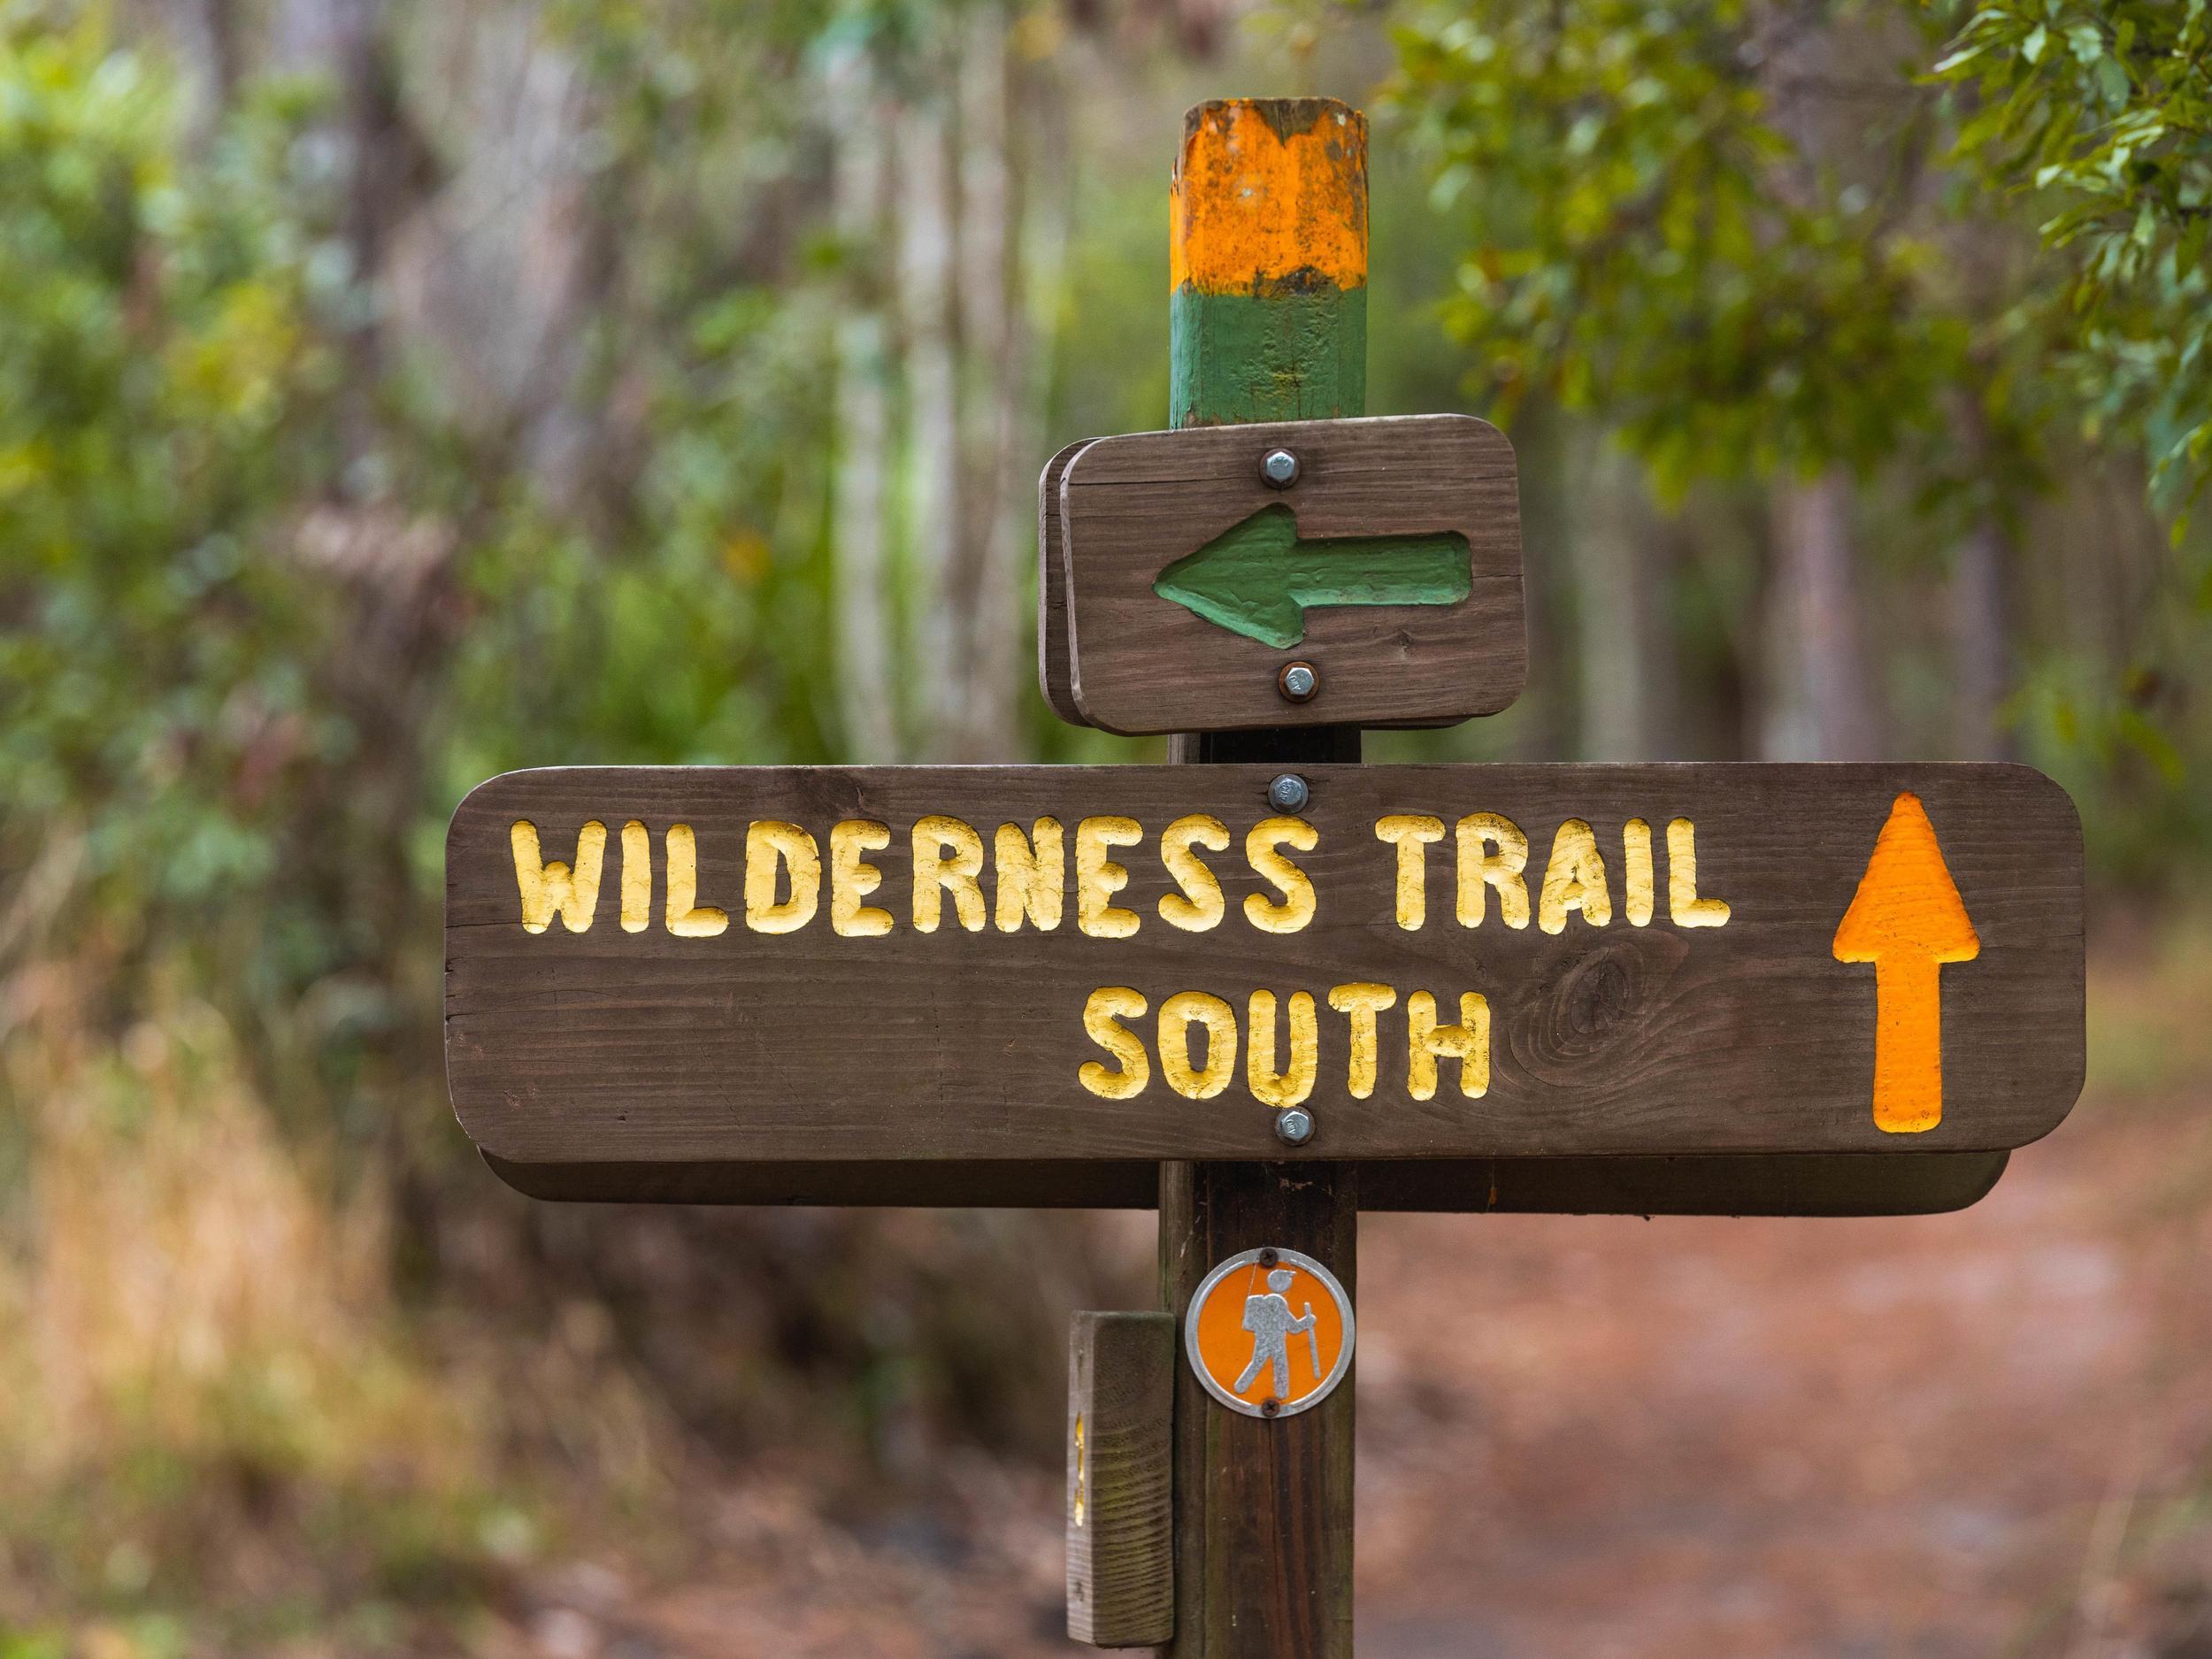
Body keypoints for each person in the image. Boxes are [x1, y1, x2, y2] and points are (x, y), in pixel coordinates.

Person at [1233, 1267, 1317, 1399]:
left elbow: (1248, 1325)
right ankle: (1281, 1394)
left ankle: (1240, 1387)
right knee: (1280, 1366)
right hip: (1276, 1341)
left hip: (1262, 1339)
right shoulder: (1278, 1302)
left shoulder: (1256, 1302)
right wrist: (1308, 1321)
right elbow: (1293, 1327)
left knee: (1257, 1363)